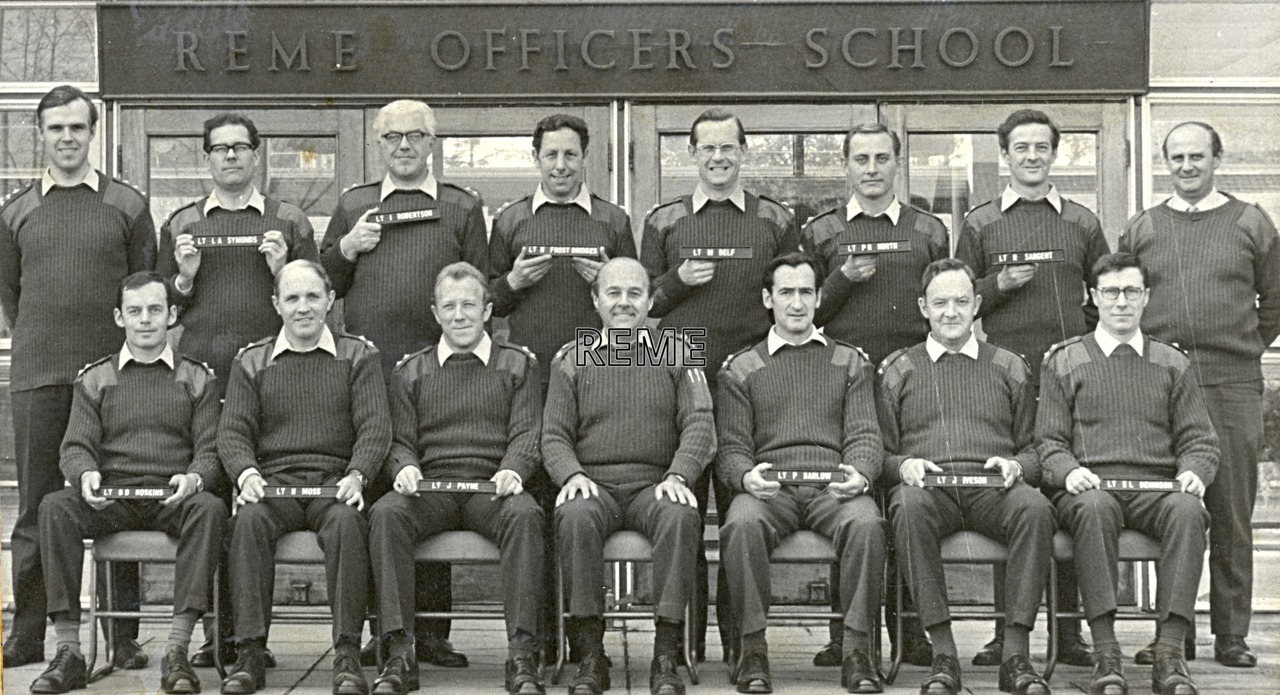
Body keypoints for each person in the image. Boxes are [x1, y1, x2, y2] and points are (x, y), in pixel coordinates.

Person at [320, 99, 487, 666]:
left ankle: (433, 631)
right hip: (368, 372)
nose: (404, 146)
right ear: (379, 145)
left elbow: (478, 287)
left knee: (430, 481)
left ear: (432, 142)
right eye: (393, 138)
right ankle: (384, 630)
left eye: (415, 136)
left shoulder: (462, 207)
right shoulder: (354, 204)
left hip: (438, 372)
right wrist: (347, 247)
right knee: (371, 497)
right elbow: (324, 284)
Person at [0, 84, 157, 668]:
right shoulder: (15, 210)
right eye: (55, 128)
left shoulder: (127, 204)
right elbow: (12, 295)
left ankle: (123, 637)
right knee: (38, 506)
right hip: (40, 377)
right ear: (39, 134)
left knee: (117, 494)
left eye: (77, 127)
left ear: (94, 134)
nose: (67, 137)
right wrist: (46, 341)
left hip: (112, 382)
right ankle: (29, 633)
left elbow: (146, 290)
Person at [156, 112, 318, 667]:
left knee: (252, 509)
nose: (230, 157)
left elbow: (311, 300)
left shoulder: (288, 220)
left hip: (272, 383)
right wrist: (182, 278)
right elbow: (158, 310)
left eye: (240, 148)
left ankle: (252, 639)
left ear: (257, 155)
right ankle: (215, 636)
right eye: (219, 148)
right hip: (201, 383)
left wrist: (281, 267)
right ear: (206, 158)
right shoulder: (181, 223)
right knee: (213, 507)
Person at [639, 107, 801, 659]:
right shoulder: (664, 221)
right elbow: (643, 307)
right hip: (679, 387)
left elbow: (790, 294)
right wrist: (675, 281)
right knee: (682, 515)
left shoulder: (774, 219)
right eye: (706, 148)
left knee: (739, 518)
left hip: (747, 388)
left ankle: (739, 642)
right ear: (691, 154)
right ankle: (682, 643)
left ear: (743, 152)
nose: (717, 157)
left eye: (727, 147)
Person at [1120, 121, 1280, 667]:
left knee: (1230, 510)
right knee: (1174, 508)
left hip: (1231, 385)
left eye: (1197, 156)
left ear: (1217, 157)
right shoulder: (1144, 227)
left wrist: (1236, 349)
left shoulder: (1250, 222)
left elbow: (1275, 301)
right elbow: (1121, 299)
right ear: (1165, 162)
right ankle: (1174, 634)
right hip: (1162, 384)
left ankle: (1231, 635)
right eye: (1177, 158)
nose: (1187, 167)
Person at [954, 108, 1107, 667]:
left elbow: (1107, 295)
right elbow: (959, 299)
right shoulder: (981, 222)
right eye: (1021, 147)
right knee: (1011, 495)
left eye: (1042, 147)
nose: (1032, 156)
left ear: (1054, 154)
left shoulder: (1082, 222)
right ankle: (1004, 631)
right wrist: (997, 284)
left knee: (1065, 499)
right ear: (1005, 156)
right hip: (1005, 381)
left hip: (1068, 383)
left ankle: (1068, 634)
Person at [29, 272, 224, 695]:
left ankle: (177, 650)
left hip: (172, 496)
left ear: (172, 315)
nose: (145, 320)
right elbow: (75, 446)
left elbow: (210, 451)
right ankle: (69, 651)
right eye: (135, 311)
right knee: (53, 507)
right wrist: (85, 474)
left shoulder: (197, 378)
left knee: (210, 508)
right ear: (119, 317)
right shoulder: (95, 378)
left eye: (155, 310)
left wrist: (194, 478)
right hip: (113, 497)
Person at [1039, 252, 1218, 695]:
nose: (1122, 302)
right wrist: (1068, 471)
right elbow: (1048, 443)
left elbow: (1200, 440)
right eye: (1112, 292)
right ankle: (1106, 653)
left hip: (1157, 488)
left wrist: (1195, 471)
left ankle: (1170, 654)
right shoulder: (1063, 361)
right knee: (1094, 508)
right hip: (1092, 485)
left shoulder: (1172, 363)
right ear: (1094, 297)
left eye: (1131, 291)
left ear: (1146, 298)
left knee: (1189, 511)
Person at [801, 122, 945, 668]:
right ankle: (846, 633)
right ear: (846, 166)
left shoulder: (928, 229)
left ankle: (910, 633)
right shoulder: (822, 232)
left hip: (910, 384)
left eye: (882, 158)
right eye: (860, 158)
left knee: (903, 505)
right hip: (844, 384)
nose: (871, 168)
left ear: (897, 164)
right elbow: (804, 307)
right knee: (850, 498)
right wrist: (841, 279)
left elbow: (939, 302)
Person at [367, 262, 545, 695]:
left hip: (492, 488)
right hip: (434, 490)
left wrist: (513, 468)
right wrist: (404, 465)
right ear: (435, 313)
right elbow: (399, 440)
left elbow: (528, 433)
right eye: (450, 306)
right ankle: (399, 652)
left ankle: (522, 654)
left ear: (488, 310)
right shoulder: (410, 371)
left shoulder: (518, 366)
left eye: (469, 304)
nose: (460, 315)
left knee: (526, 516)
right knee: (387, 513)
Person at [879, 258, 1054, 695]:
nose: (951, 312)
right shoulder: (899, 369)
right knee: (905, 504)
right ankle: (943, 654)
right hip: (930, 490)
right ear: (923, 307)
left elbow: (1037, 448)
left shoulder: (1009, 366)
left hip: (993, 488)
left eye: (961, 301)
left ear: (977, 304)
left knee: (1035, 508)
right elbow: (877, 450)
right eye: (940, 303)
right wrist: (903, 465)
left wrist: (1018, 466)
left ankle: (1015, 655)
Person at [216, 260, 391, 695]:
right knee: (247, 522)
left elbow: (375, 426)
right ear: (276, 304)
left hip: (334, 482)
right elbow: (233, 430)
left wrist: (358, 474)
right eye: (292, 298)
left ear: (331, 301)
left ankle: (348, 653)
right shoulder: (251, 361)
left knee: (349, 524)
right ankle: (250, 653)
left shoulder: (359, 355)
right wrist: (246, 472)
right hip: (273, 482)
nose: (303, 308)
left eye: (313, 296)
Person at [716, 251, 886, 694]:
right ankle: (753, 649)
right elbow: (732, 446)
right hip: (772, 487)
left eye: (806, 292)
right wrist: (746, 476)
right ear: (767, 299)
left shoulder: (850, 362)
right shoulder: (741, 367)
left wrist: (862, 475)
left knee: (867, 523)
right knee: (740, 523)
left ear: (818, 297)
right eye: (786, 292)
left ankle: (856, 650)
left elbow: (865, 434)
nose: (797, 303)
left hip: (833, 485)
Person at [542, 257, 714, 695]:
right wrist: (571, 475)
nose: (624, 303)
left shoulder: (675, 348)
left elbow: (700, 423)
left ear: (651, 300)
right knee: (575, 514)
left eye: (634, 294)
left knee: (680, 515)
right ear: (595, 300)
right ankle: (589, 655)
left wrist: (679, 475)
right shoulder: (573, 355)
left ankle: (665, 655)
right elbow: (553, 434)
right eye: (613, 293)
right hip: (593, 485)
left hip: (654, 484)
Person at [489, 113, 636, 389]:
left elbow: (638, 305)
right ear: (536, 157)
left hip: (598, 367)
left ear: (585, 156)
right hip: (530, 370)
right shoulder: (510, 219)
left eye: (570, 154)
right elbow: (490, 303)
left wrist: (609, 284)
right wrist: (513, 282)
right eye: (550, 155)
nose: (560, 166)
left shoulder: (614, 219)